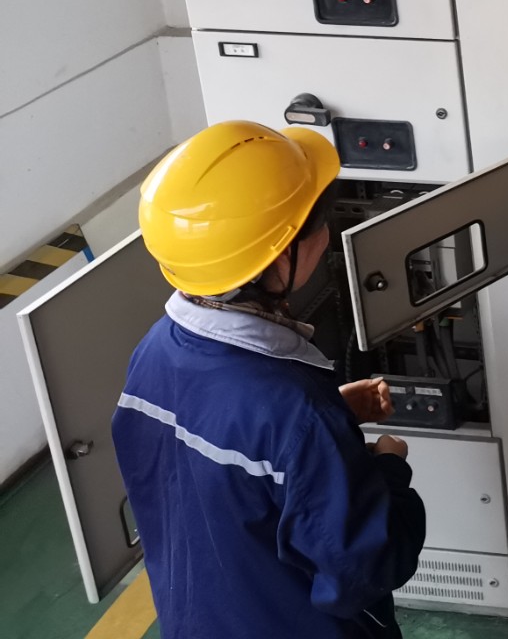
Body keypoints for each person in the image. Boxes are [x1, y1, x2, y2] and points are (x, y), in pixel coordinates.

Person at [114, 121, 426, 639]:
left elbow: (217, 465)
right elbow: (366, 568)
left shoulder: (154, 350)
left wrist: (328, 423)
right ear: (279, 256)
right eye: (318, 219)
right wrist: (389, 468)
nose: (326, 234)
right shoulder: (297, 412)